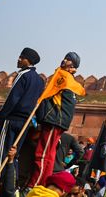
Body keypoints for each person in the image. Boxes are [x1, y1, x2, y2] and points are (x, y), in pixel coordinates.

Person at [0, 47, 45, 197]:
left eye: (21, 57)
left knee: (2, 152)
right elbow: (40, 102)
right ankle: (11, 185)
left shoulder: (23, 75)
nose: (18, 59)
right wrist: (40, 120)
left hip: (12, 119)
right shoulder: (39, 80)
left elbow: (13, 98)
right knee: (14, 155)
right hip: (25, 122)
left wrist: (0, 117)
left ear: (28, 61)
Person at [29, 52, 81, 188]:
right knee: (49, 155)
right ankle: (42, 182)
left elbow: (49, 95)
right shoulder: (68, 79)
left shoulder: (64, 77)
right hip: (56, 121)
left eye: (68, 59)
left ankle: (35, 184)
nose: (64, 60)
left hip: (54, 120)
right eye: (65, 57)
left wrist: (39, 105)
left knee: (42, 154)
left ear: (73, 66)